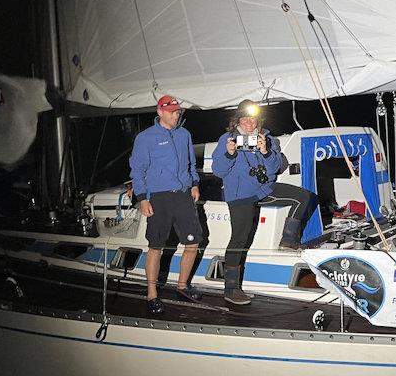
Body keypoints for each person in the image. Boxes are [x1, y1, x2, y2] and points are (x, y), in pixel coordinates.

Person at [211, 100, 317, 305]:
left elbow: (275, 168)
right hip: (240, 195)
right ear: (237, 121)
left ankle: (288, 239)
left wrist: (266, 151)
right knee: (240, 239)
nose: (249, 122)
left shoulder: (268, 138)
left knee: (303, 197)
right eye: (245, 118)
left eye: (253, 118)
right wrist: (229, 154)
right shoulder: (227, 139)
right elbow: (219, 171)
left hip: (262, 190)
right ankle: (231, 289)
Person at [129, 95, 202, 315]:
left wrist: (195, 183)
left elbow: (191, 163)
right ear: (160, 112)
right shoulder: (145, 138)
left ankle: (182, 286)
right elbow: (138, 170)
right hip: (158, 197)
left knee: (193, 242)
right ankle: (151, 294)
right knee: (156, 246)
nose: (176, 114)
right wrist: (142, 198)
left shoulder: (184, 134)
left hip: (182, 195)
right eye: (172, 111)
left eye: (178, 111)